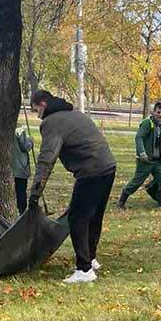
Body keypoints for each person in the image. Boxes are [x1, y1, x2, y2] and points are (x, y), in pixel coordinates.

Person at [29, 89, 117, 285]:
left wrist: (35, 193)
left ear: (43, 104)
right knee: (94, 216)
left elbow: (46, 159)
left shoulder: (51, 122)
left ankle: (84, 269)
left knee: (77, 218)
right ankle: (91, 259)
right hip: (108, 167)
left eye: (36, 110)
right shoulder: (74, 113)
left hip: (91, 170)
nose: (37, 115)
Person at [117, 101, 161, 209]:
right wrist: (142, 153)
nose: (160, 115)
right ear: (153, 112)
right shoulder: (147, 123)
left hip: (157, 161)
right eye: (158, 112)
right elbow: (138, 137)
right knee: (136, 182)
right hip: (146, 161)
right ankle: (121, 202)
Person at [12, 126, 33, 214]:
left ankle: (19, 210)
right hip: (20, 167)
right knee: (21, 191)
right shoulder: (19, 130)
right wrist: (30, 140)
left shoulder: (3, 128)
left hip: (11, 166)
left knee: (17, 190)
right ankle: (22, 212)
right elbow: (26, 146)